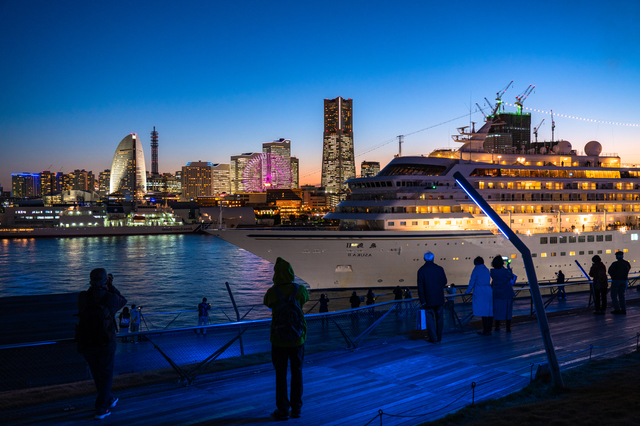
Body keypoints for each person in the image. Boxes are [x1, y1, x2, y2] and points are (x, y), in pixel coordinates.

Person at [76, 268, 127, 420]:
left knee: (97, 375)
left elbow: (89, 298)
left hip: (85, 342)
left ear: (90, 281)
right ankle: (101, 408)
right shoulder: (110, 298)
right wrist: (110, 286)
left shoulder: (82, 297)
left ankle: (109, 399)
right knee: (106, 375)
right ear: (106, 281)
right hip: (106, 343)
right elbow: (122, 300)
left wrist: (99, 285)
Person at [263, 257, 309, 421]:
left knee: (280, 374)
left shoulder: (272, 292)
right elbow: (305, 300)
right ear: (291, 273)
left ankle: (282, 409)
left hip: (278, 339)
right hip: (298, 338)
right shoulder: (300, 290)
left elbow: (267, 303)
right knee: (297, 372)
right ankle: (296, 408)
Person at [417, 251, 447, 343]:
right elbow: (444, 282)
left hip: (428, 300)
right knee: (440, 319)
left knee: (430, 320)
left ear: (424, 259)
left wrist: (423, 301)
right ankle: (439, 337)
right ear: (433, 258)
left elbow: (420, 288)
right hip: (439, 298)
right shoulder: (439, 269)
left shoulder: (421, 270)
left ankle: (433, 338)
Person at [465, 256, 493, 335]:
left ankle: (485, 330)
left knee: (483, 312)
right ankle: (489, 330)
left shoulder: (476, 269)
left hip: (480, 291)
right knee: (489, 312)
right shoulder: (486, 269)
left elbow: (472, 281)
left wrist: (468, 291)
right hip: (489, 290)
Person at [491, 256, 515, 332]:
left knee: (497, 310)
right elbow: (510, 275)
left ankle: (497, 326)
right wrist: (508, 265)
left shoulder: (492, 271)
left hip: (497, 294)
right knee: (508, 311)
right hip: (507, 293)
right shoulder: (506, 271)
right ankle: (508, 328)